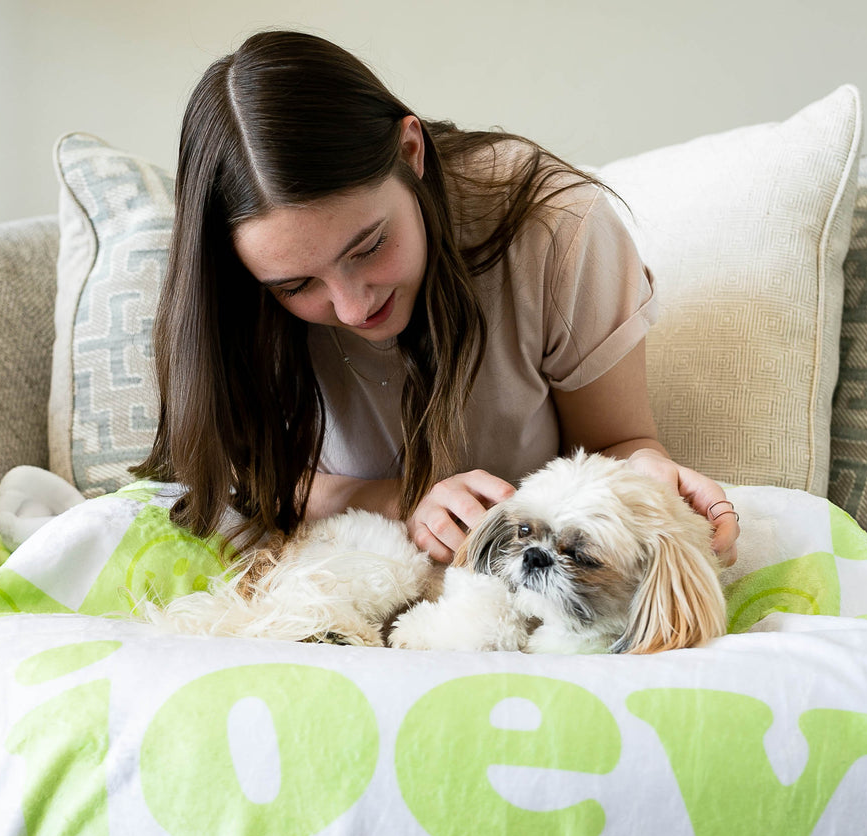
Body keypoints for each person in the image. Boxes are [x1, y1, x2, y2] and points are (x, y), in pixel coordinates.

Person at [133, 29, 739, 567]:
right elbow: (237, 477)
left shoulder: (555, 227)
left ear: (411, 152)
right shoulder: (231, 291)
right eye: (296, 286)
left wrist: (644, 477)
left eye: (368, 246)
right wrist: (396, 500)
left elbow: (615, 442)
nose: (351, 308)